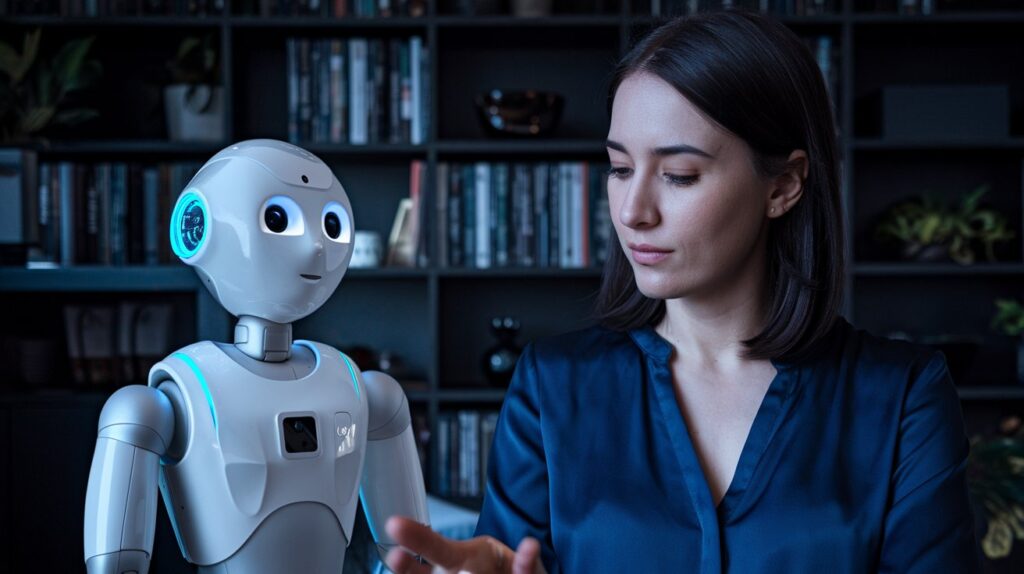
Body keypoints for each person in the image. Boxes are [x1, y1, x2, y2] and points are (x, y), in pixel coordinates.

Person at [384, 8, 984, 573]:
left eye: (679, 175)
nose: (634, 211)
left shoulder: (904, 397)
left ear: (784, 185)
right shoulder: (553, 387)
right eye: (620, 169)